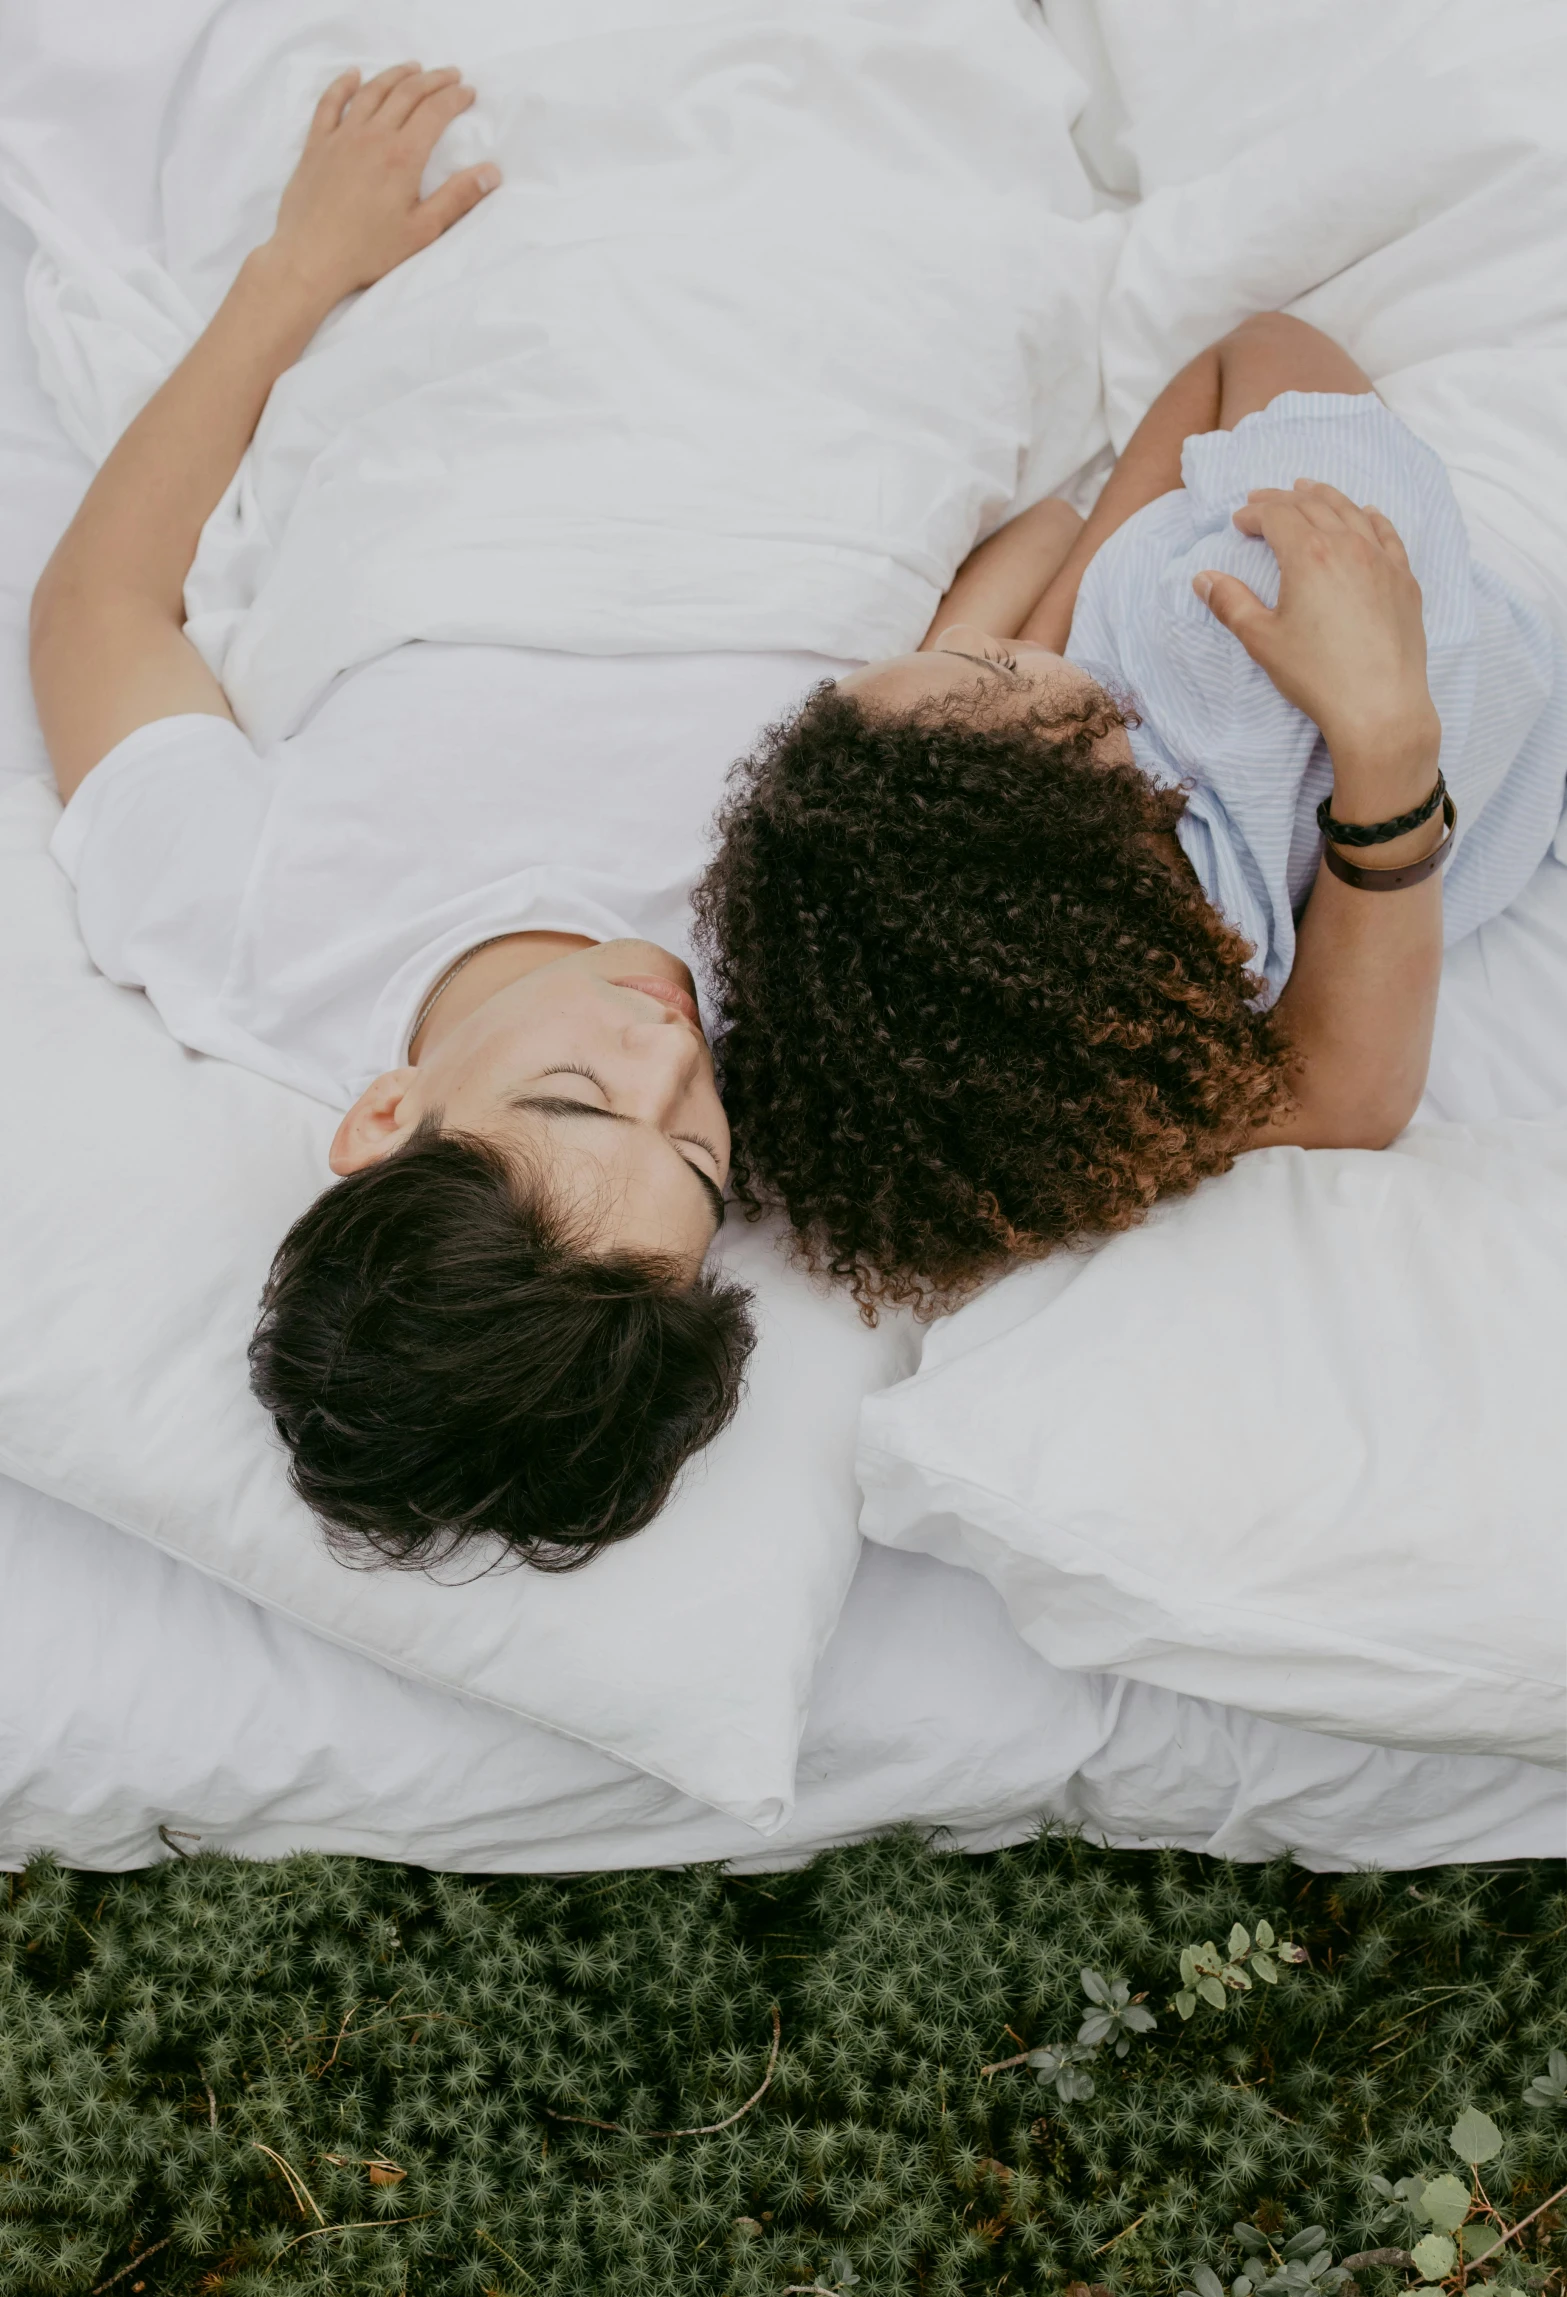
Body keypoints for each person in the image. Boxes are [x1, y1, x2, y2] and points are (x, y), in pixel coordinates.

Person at [28, 63, 823, 1568]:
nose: (670, 1047)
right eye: (701, 1160)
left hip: (521, 368)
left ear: (385, 1115)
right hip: (830, 399)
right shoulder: (814, 1044)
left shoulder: (251, 931)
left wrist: (299, 268)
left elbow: (97, 607)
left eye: (579, 1100)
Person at [696, 312, 1567, 1310]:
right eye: (983, 661)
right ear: (1052, 807)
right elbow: (1265, 352)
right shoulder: (1220, 628)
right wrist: (1026, 641)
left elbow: (1346, 1099)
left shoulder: (1135, 1029)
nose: (998, 640)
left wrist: (1005, 675)